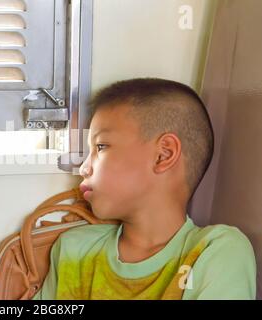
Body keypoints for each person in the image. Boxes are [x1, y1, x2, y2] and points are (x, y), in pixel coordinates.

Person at [33, 78, 256, 300]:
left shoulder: (215, 251)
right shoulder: (75, 249)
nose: (83, 168)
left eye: (101, 146)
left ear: (163, 155)